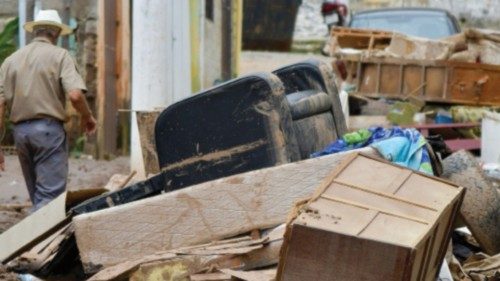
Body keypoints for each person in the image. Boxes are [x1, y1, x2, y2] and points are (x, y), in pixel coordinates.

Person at [0, 10, 97, 211]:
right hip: (48, 132)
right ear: (56, 33)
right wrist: (87, 117)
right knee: (49, 199)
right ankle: (40, 241)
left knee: (38, 195)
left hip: (20, 134)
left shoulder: (11, 61)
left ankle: (36, 236)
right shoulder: (60, 56)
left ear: (35, 31)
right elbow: (76, 96)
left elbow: (0, 104)